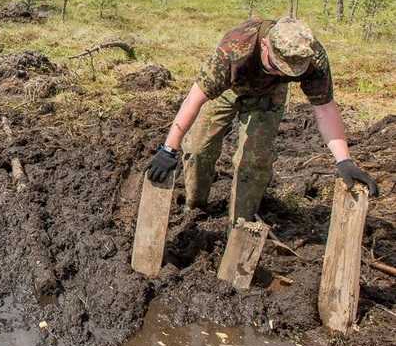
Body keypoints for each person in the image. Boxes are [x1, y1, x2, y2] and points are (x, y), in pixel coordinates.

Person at [146, 17, 378, 223]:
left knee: (254, 161)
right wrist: (169, 149)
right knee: (197, 148)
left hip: (269, 95)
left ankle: (241, 225)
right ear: (265, 45)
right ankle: (195, 207)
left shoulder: (312, 56)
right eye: (277, 66)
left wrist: (343, 161)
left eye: (288, 72)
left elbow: (325, 109)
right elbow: (193, 100)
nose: (281, 73)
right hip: (229, 88)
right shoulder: (235, 48)